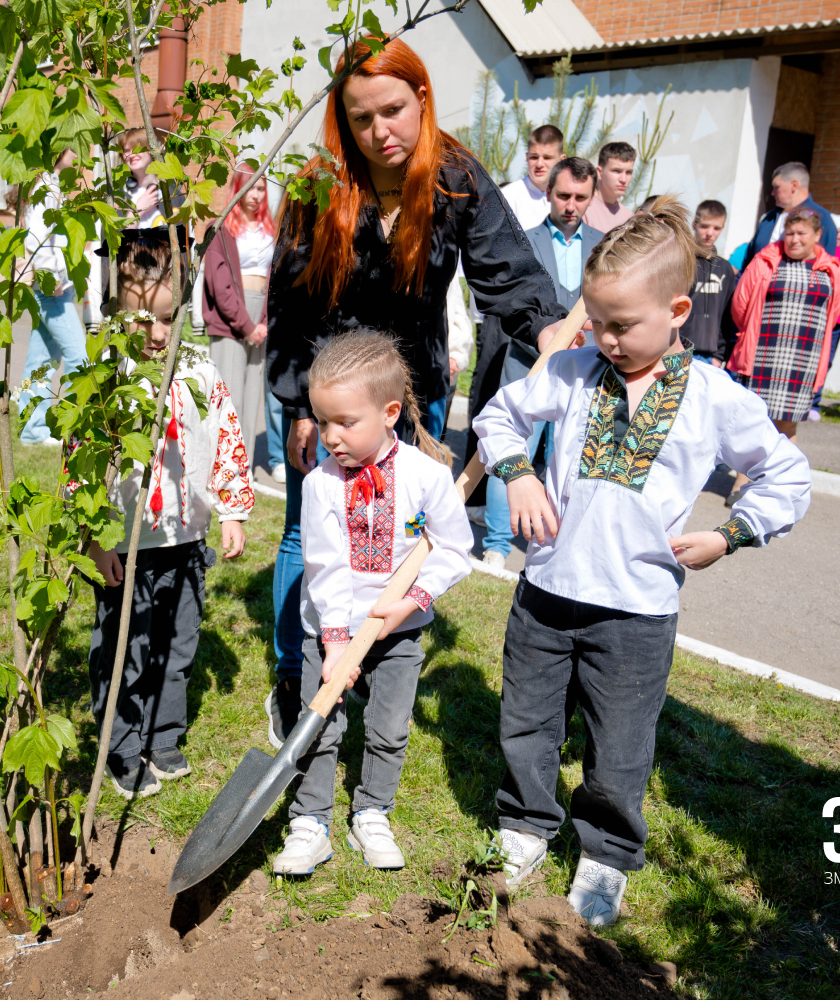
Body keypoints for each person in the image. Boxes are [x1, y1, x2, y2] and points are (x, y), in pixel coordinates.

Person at [474, 197, 811, 923]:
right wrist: (520, 473)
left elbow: (788, 475)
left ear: (679, 310)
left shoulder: (714, 397)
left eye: (621, 325)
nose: (605, 337)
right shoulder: (569, 371)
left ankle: (606, 854)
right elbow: (499, 415)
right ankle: (524, 827)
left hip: (636, 612)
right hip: (546, 592)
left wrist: (732, 534)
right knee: (527, 722)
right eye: (595, 321)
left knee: (619, 742)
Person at [263, 37, 567, 746]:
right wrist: (300, 406)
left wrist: (545, 330)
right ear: (344, 119)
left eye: (394, 111)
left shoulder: (455, 176)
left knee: (401, 539)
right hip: (330, 393)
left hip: (412, 398)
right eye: (362, 119)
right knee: (312, 531)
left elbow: (508, 274)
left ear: (421, 99)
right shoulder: (319, 183)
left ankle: (369, 660)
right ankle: (297, 675)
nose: (381, 133)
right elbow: (290, 303)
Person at [271, 331, 472, 875]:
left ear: (388, 414)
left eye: (345, 423)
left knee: (390, 725)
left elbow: (455, 547)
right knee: (321, 721)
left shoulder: (427, 478)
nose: (331, 437)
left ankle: (372, 812)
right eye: (323, 420)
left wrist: (414, 601)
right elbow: (325, 566)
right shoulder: (320, 485)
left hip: (399, 630)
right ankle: (311, 821)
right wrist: (336, 642)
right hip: (330, 630)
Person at [86, 232, 255, 799]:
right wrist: (95, 541)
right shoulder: (106, 384)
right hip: (126, 548)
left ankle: (163, 735)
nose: (156, 336)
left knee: (178, 647)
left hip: (185, 542)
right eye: (140, 322)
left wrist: (229, 511)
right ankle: (122, 744)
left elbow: (225, 438)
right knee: (125, 648)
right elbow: (81, 471)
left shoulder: (198, 375)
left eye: (166, 319)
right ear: (116, 314)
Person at [479, 157, 603, 570]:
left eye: (580, 198)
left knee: (568, 456)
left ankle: (555, 537)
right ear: (548, 193)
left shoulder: (605, 248)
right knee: (513, 449)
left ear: (591, 198)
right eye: (564, 195)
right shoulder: (524, 244)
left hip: (583, 371)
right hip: (526, 363)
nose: (571, 205)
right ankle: (497, 541)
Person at [729, 210, 840, 446]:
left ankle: (781, 481)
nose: (794, 239)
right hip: (763, 354)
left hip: (804, 357)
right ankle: (742, 482)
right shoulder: (765, 261)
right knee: (754, 421)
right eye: (789, 233)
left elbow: (832, 314)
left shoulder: (830, 268)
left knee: (787, 424)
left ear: (817, 235)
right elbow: (740, 306)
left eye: (802, 233)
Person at [18, 149, 100, 447]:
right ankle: (77, 427)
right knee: (80, 358)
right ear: (59, 150)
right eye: (76, 148)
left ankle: (32, 427)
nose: (84, 154)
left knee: (39, 361)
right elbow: (37, 236)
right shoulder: (46, 186)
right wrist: (50, 274)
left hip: (54, 287)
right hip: (51, 288)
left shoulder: (51, 184)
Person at [202, 166, 275, 475]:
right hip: (231, 319)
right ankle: (220, 468)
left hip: (261, 317)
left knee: (251, 399)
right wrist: (247, 326)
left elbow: (275, 277)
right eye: (250, 187)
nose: (255, 195)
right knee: (228, 396)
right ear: (237, 188)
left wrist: (264, 321)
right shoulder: (220, 229)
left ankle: (239, 470)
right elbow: (220, 284)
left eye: (261, 188)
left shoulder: (270, 229)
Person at [806, 213, 840, 420]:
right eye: (835, 232)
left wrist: (828, 289)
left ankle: (814, 403)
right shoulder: (814, 253)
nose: (838, 236)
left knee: (825, 361)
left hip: (836, 319)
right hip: (812, 315)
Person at [684, 199, 738, 366]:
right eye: (704, 226)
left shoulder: (725, 268)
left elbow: (727, 316)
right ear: (694, 225)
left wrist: (720, 355)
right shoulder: (681, 261)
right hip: (679, 350)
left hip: (710, 356)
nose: (710, 233)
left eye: (716, 228)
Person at [749, 162, 838, 254]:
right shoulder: (768, 218)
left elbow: (826, 261)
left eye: (777, 187)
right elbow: (750, 256)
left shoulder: (821, 218)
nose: (772, 193)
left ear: (794, 186)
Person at [500, 124, 564, 231]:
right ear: (527, 157)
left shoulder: (568, 199)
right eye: (534, 157)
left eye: (547, 158)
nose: (539, 164)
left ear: (561, 160)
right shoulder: (507, 197)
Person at [582, 141, 636, 233]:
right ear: (599, 172)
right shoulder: (583, 209)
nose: (623, 179)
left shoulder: (629, 217)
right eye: (617, 171)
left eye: (628, 172)